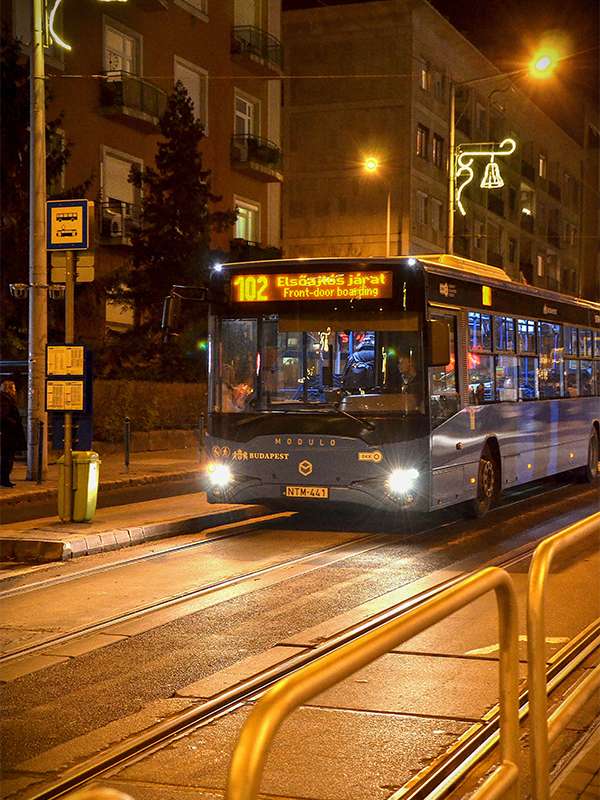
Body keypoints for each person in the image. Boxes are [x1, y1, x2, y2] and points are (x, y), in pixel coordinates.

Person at [0, 379, 26, 487]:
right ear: (9, 389)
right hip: (8, 434)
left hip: (8, 433)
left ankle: (4, 478)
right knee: (7, 457)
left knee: (7, 457)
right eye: (14, 388)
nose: (15, 390)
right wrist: (14, 422)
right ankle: (4, 479)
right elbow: (3, 415)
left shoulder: (6, 399)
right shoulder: (5, 400)